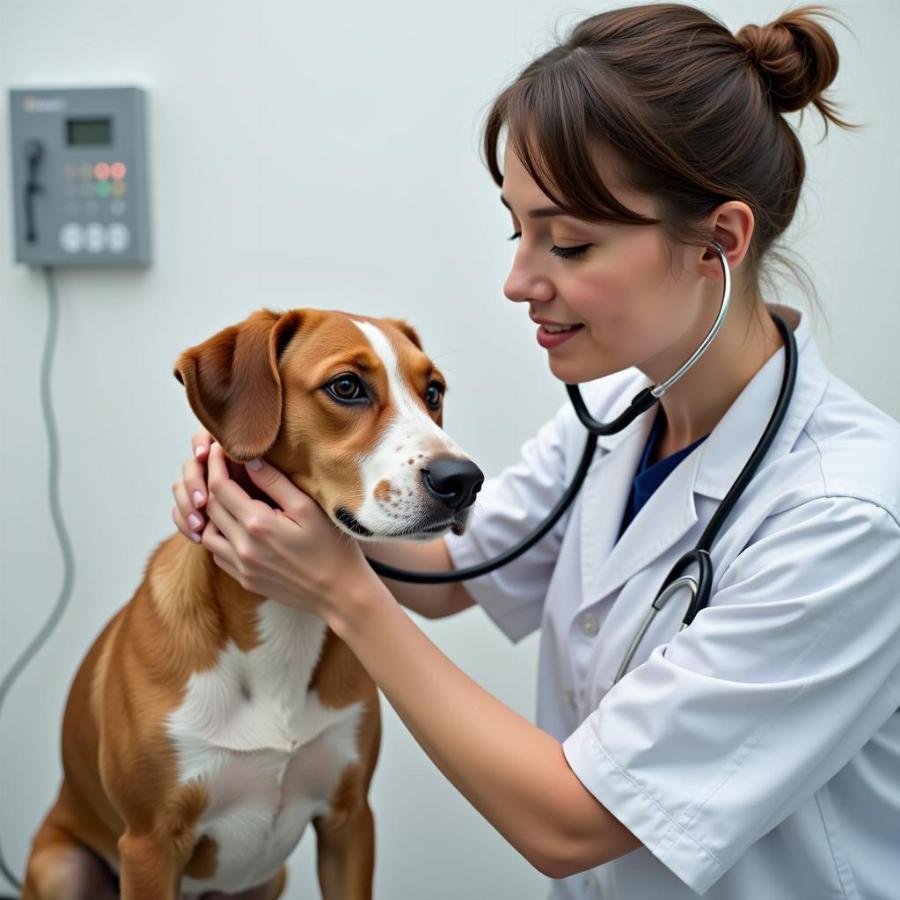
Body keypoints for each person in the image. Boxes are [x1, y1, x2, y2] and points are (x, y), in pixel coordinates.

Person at [171, 3, 900, 897]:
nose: (519, 281)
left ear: (721, 241)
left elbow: (571, 821)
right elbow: (446, 570)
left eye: (570, 242)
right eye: (518, 229)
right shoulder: (618, 413)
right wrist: (279, 504)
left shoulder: (849, 518)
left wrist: (343, 590)